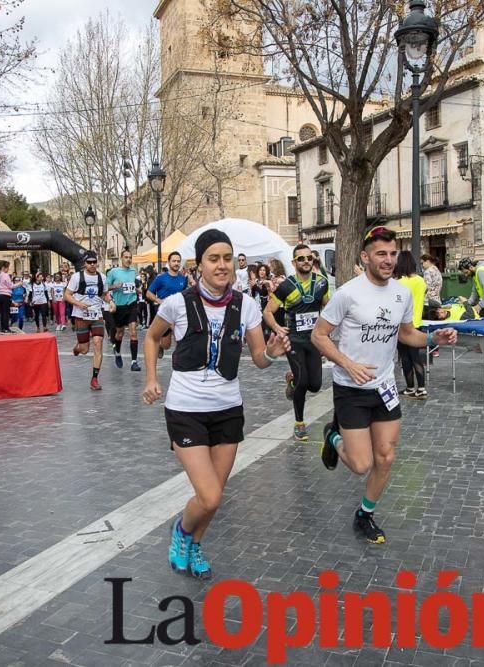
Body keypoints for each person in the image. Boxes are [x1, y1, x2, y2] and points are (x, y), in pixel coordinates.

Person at [142, 229, 290, 579]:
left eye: (227, 258)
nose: (222, 265)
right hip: (185, 409)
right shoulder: (178, 303)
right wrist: (151, 378)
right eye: (214, 259)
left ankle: (194, 546)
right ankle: (181, 532)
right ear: (201, 264)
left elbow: (258, 358)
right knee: (208, 497)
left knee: (216, 495)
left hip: (227, 410)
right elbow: (151, 337)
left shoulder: (246, 305)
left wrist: (272, 352)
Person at [312, 226, 457, 545]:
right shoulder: (347, 293)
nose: (388, 260)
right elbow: (319, 335)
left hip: (385, 386)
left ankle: (365, 514)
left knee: (386, 457)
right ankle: (332, 435)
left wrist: (434, 337)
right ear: (365, 257)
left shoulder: (402, 293)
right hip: (350, 387)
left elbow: (406, 334)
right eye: (381, 254)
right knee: (361, 464)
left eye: (393, 253)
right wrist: (347, 363)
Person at [263, 244, 330, 441]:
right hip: (294, 341)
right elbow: (267, 312)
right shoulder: (286, 286)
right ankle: (299, 423)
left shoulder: (322, 283)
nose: (306, 262)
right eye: (301, 259)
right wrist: (277, 328)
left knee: (316, 385)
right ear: (294, 263)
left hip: (314, 340)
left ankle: (291, 380)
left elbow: (328, 307)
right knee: (303, 382)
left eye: (309, 258)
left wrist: (327, 331)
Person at [65, 252, 115, 390]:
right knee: (85, 349)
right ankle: (77, 348)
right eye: (89, 262)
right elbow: (67, 295)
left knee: (98, 343)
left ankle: (94, 379)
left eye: (94, 262)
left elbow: (104, 294)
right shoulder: (77, 277)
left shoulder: (102, 277)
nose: (92, 265)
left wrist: (111, 302)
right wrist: (78, 303)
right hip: (81, 315)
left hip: (97, 314)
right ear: (85, 263)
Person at [395, 251, 428, 399]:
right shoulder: (421, 281)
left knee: (405, 357)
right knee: (416, 357)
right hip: (417, 323)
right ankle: (421, 388)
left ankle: (410, 387)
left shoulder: (399, 283)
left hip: (403, 325)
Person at [146, 251, 189, 359]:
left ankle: (177, 355)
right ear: (169, 263)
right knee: (171, 339)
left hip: (178, 313)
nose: (176, 263)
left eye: (178, 261)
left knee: (172, 340)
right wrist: (159, 300)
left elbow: (185, 294)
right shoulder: (161, 278)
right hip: (165, 313)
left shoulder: (182, 279)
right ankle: (165, 347)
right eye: (174, 261)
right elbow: (148, 293)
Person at [107, 249, 142, 371]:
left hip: (131, 304)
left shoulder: (133, 271)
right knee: (119, 333)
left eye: (130, 257)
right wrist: (115, 286)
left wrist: (138, 290)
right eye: (126, 257)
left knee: (133, 332)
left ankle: (134, 362)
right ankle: (117, 351)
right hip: (119, 306)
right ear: (121, 258)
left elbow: (133, 286)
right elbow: (105, 288)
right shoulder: (113, 272)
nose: (128, 259)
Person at [0, 261, 13, 333]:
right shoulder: (5, 275)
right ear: (3, 268)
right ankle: (6, 328)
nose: (8, 269)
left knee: (2, 312)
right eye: (7, 267)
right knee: (6, 312)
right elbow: (10, 286)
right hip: (6, 294)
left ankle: (2, 328)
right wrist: (19, 284)